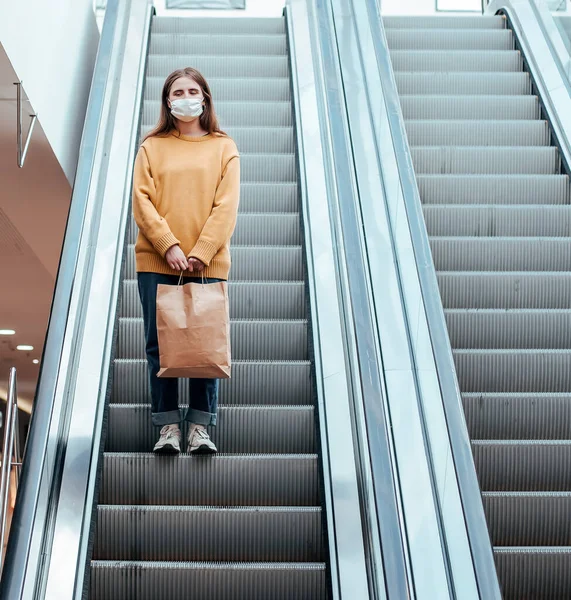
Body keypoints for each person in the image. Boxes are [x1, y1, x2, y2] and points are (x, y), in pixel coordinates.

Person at [132, 67, 240, 455]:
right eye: (178, 91)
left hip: (206, 263)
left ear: (205, 98)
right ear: (167, 101)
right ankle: (167, 429)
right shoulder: (151, 146)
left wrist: (201, 250)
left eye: (193, 90)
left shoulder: (223, 146)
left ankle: (198, 426)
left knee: (203, 343)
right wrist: (169, 245)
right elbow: (141, 202)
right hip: (157, 261)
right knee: (158, 345)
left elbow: (226, 206)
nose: (186, 97)